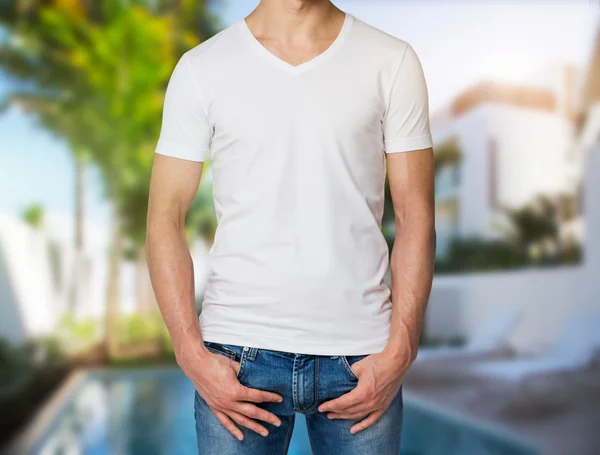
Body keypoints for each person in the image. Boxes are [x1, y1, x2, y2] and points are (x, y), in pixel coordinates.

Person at [145, 1, 435, 453]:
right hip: (236, 357)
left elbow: (417, 216)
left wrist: (402, 348)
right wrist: (190, 354)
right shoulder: (202, 68)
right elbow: (164, 218)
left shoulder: (391, 60)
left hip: (364, 356)